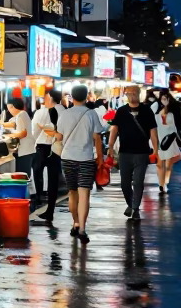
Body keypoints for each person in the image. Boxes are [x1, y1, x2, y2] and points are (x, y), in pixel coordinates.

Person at [55, 84, 105, 243]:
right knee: (84, 195)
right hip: (86, 158)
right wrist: (100, 157)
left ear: (72, 97)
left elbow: (59, 137)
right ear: (86, 97)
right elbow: (98, 137)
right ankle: (82, 229)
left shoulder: (64, 115)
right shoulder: (91, 114)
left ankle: (75, 223)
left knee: (72, 193)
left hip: (68, 157)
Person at [106, 86, 159, 219]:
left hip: (142, 153)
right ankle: (130, 204)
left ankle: (135, 208)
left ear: (139, 94)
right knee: (125, 183)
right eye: (129, 93)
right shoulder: (121, 111)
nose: (131, 95)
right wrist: (110, 147)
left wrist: (156, 150)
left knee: (138, 181)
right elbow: (114, 130)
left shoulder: (147, 111)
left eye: (134, 93)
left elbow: (153, 132)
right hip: (124, 153)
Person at [32, 89, 63, 225]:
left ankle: (44, 204)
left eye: (45, 97)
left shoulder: (52, 111)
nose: (44, 100)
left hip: (50, 147)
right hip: (59, 148)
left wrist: (44, 129)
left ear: (50, 98)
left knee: (40, 173)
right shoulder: (64, 110)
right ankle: (49, 210)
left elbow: (56, 132)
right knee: (53, 180)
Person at [154, 90, 181, 194]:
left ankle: (165, 182)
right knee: (160, 164)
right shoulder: (156, 112)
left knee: (168, 165)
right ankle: (161, 184)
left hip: (170, 140)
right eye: (162, 98)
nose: (164, 100)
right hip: (160, 139)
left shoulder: (174, 112)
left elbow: (176, 127)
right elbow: (154, 128)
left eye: (166, 98)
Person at [2, 97, 36, 177]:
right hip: (25, 150)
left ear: (12, 106)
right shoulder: (21, 115)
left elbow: (23, 134)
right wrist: (1, 124)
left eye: (9, 109)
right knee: (23, 174)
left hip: (25, 151)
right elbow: (13, 124)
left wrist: (9, 135)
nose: (9, 111)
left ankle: (26, 189)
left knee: (23, 175)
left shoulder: (21, 115)